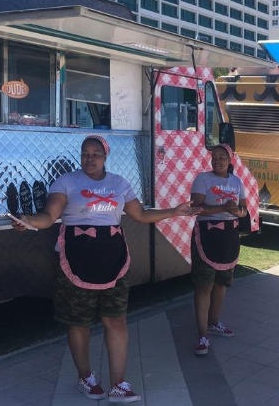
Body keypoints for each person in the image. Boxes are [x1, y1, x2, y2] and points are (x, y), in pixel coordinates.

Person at [12, 135, 200, 402]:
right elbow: (49, 216)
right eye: (85, 153)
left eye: (96, 154)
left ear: (105, 157)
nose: (89, 158)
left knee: (116, 320)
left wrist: (175, 211)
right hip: (75, 257)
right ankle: (85, 377)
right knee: (79, 322)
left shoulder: (119, 183)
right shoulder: (66, 182)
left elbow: (140, 214)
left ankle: (118, 384)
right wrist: (29, 221)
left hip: (113, 259)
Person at [190, 144, 248, 355]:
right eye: (214, 157)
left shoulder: (237, 181)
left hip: (228, 237)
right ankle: (202, 335)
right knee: (204, 286)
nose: (217, 160)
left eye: (222, 157)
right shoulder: (203, 179)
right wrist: (222, 208)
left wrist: (237, 211)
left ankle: (214, 323)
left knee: (221, 283)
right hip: (207, 235)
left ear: (230, 160)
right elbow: (196, 208)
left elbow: (244, 210)